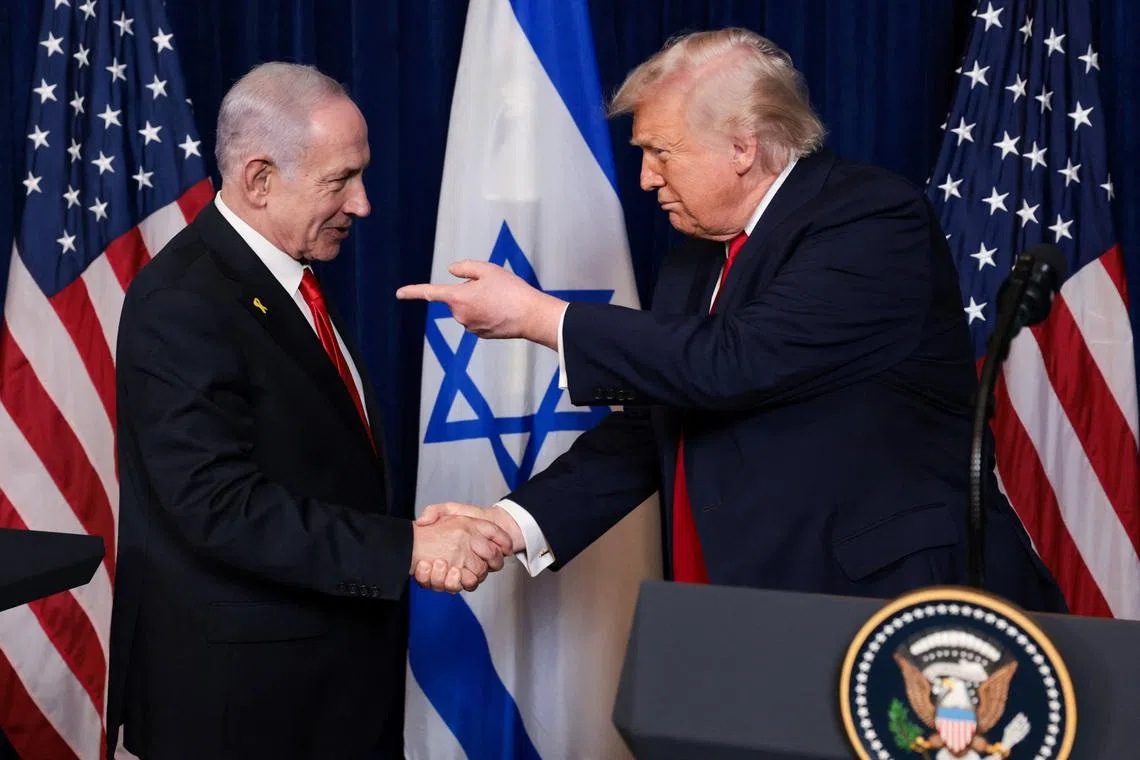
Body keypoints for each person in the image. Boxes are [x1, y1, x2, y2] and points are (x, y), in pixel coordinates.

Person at [397, 29, 1067, 613]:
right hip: (740, 607)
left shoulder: (868, 218)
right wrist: (510, 524)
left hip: (883, 601)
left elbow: (735, 362)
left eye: (661, 151)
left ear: (742, 147)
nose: (646, 178)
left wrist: (540, 316)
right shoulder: (696, 257)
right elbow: (656, 424)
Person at [107, 62, 510, 760]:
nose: (363, 204)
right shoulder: (181, 301)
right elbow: (215, 506)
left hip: (329, 689)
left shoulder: (288, 278)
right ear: (259, 179)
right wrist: (407, 547)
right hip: (240, 710)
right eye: (340, 180)